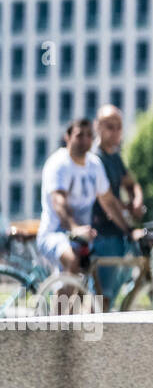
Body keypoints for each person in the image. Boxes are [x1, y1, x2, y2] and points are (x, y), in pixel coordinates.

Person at [37, 118, 130, 279]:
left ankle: (73, 301)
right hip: (55, 234)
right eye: (80, 135)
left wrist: (129, 230)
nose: (85, 140)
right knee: (73, 261)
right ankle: (60, 305)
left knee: (86, 282)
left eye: (89, 135)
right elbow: (59, 202)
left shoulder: (94, 165)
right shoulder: (59, 163)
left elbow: (108, 200)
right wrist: (74, 228)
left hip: (84, 238)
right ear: (68, 136)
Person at [89, 105, 145, 310]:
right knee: (102, 297)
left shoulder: (114, 156)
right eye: (109, 126)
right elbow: (108, 201)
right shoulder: (95, 159)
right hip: (103, 232)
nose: (115, 131)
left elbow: (131, 182)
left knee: (109, 295)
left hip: (117, 231)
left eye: (118, 127)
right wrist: (129, 222)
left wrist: (137, 199)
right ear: (98, 127)